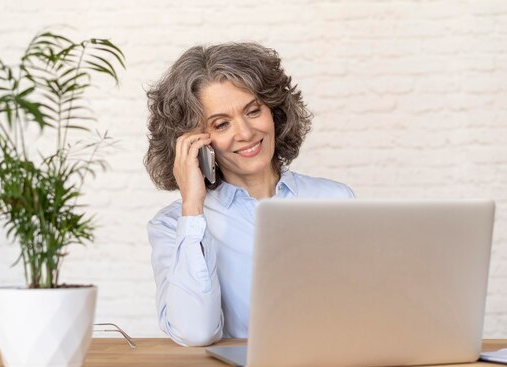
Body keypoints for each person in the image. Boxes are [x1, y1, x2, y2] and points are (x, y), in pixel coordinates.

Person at [145, 42, 355, 347]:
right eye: (221, 124)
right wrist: (192, 206)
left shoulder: (335, 200)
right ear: (193, 143)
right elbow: (196, 332)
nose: (244, 133)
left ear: (275, 113)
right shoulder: (172, 226)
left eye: (253, 111)